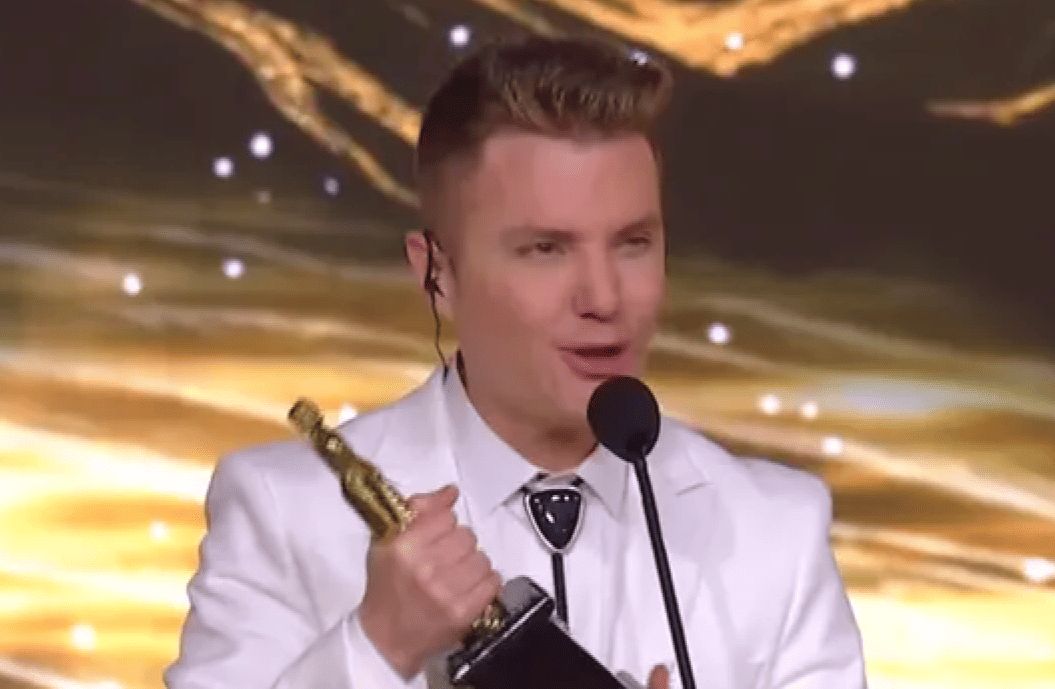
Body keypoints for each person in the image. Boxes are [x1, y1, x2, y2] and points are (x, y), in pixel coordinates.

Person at [165, 34, 867, 689]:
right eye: (545, 249)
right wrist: (378, 645)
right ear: (437, 273)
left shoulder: (774, 530)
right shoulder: (286, 511)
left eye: (632, 243)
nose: (603, 298)